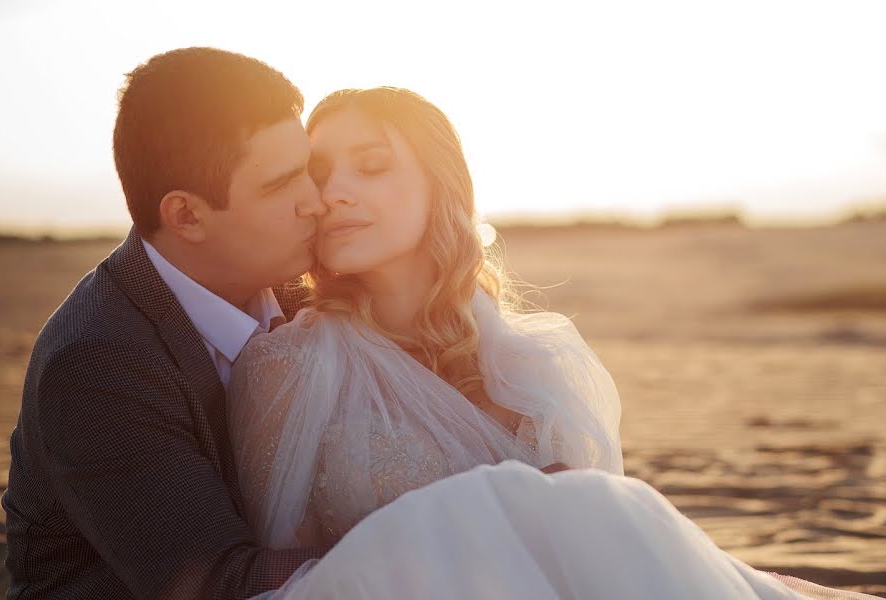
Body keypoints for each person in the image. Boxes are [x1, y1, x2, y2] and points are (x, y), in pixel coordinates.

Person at [229, 87, 877, 599]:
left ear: (439, 185)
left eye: (370, 166)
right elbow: (267, 563)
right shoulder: (290, 362)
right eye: (319, 173)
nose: (335, 191)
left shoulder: (532, 360)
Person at [3, 47, 331, 599]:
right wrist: (421, 546)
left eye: (310, 170)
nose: (316, 201)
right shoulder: (95, 362)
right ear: (186, 215)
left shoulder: (292, 289)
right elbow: (218, 583)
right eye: (281, 184)